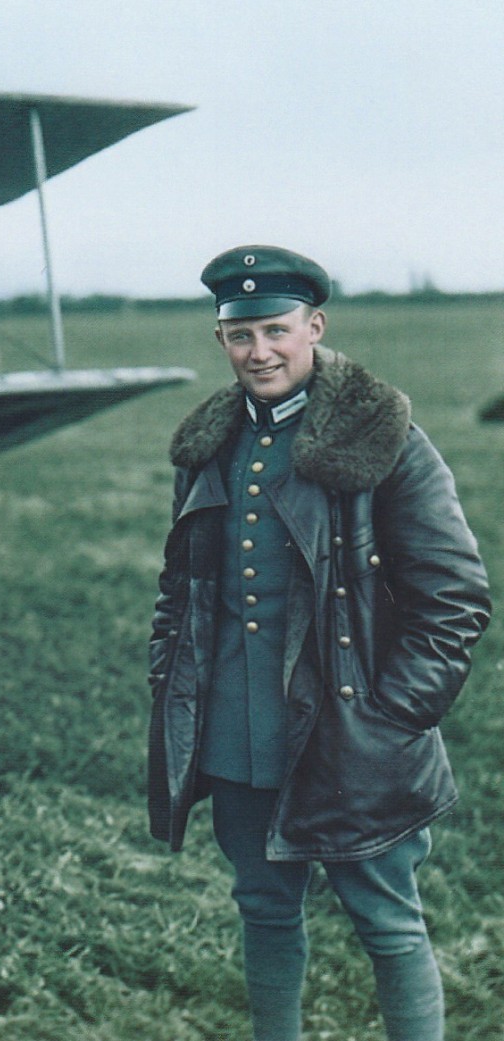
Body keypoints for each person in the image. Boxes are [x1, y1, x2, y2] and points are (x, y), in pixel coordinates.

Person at [147, 245, 490, 1041]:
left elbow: (455, 597)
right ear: (221, 339)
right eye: (241, 335)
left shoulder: (386, 438)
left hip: (353, 738)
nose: (259, 352)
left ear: (314, 327)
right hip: (237, 733)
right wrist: (172, 672)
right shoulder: (208, 445)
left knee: (388, 920)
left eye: (276, 330)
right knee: (264, 908)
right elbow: (179, 588)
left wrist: (390, 716)